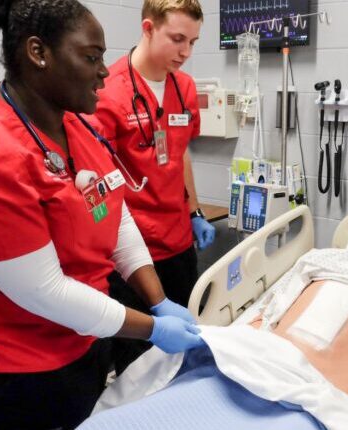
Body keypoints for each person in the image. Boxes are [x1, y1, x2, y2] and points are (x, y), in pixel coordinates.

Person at [0, 1, 203, 428]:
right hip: (1, 352)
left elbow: (115, 214)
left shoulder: (77, 126)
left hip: (76, 332)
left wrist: (159, 302)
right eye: (91, 57)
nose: (105, 71)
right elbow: (45, 292)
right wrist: (152, 329)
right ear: (38, 52)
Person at [79, 204, 348, 430]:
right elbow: (265, 311)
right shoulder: (323, 259)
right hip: (248, 371)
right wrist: (222, 347)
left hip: (320, 403)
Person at [91, 0, 214, 373]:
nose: (186, 52)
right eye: (177, 39)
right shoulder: (107, 92)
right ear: (148, 28)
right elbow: (100, 178)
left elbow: (180, 155)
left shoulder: (185, 87)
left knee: (186, 350)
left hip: (178, 241)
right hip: (132, 253)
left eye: (193, 41)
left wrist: (194, 211)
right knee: (138, 365)